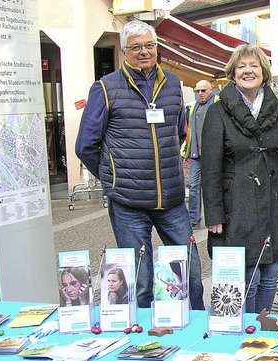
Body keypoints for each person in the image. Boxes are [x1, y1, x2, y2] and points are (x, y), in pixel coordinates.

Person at [75, 20, 204, 310]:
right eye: (136, 47)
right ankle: (145, 342)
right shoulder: (105, 88)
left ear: (157, 48)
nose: (144, 52)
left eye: (149, 45)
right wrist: (113, 178)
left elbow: (180, 131)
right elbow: (85, 145)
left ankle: (195, 331)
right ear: (124, 52)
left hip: (171, 199)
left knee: (190, 272)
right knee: (140, 281)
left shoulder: (173, 84)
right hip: (128, 202)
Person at [201, 45, 278, 314]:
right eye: (241, 66)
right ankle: (242, 332)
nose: (248, 71)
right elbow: (210, 168)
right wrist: (214, 214)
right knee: (247, 278)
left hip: (273, 201)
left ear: (264, 72)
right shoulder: (217, 112)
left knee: (270, 274)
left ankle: (262, 331)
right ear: (232, 74)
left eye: (254, 66)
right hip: (238, 205)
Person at [181, 80, 219, 229]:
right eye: (197, 91)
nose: (200, 93)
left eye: (203, 90)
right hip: (197, 154)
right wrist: (187, 148)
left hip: (213, 154)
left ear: (211, 90)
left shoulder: (217, 104)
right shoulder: (193, 107)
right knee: (194, 186)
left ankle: (214, 218)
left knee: (213, 187)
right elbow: (190, 130)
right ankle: (193, 219)